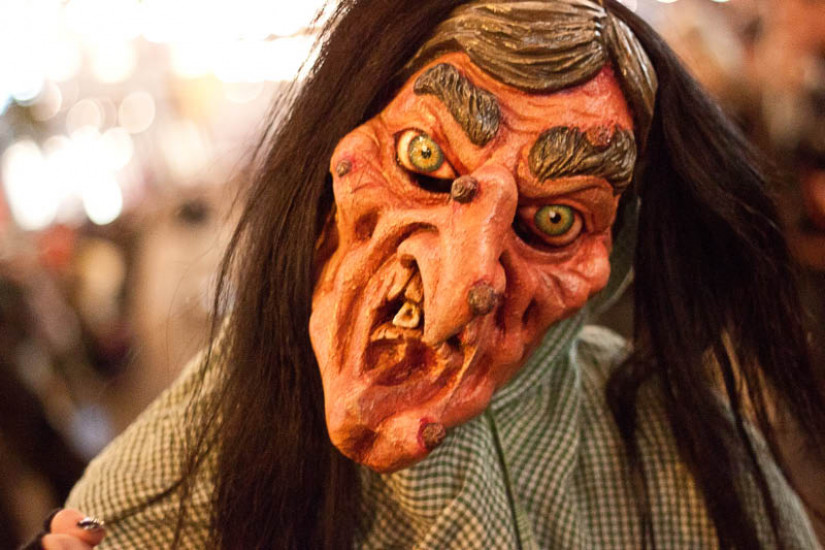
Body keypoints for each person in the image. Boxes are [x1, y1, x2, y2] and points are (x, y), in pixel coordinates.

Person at [31, 0, 825, 548]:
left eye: (552, 221)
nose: (456, 298)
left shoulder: (685, 462)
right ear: (336, 147)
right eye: (424, 158)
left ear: (607, 255)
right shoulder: (182, 468)